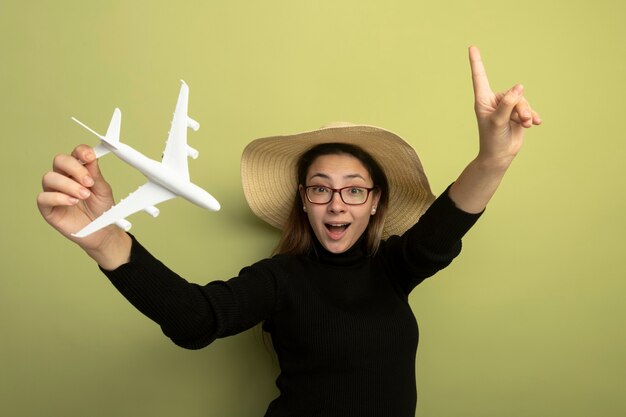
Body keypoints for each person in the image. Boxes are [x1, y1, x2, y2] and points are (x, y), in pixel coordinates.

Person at [37, 46, 541, 416]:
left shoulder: (392, 268)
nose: (336, 203)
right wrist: (105, 240)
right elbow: (196, 319)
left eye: (354, 191)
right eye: (320, 189)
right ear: (304, 200)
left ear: (374, 203)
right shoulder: (281, 279)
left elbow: (445, 225)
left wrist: (495, 156)